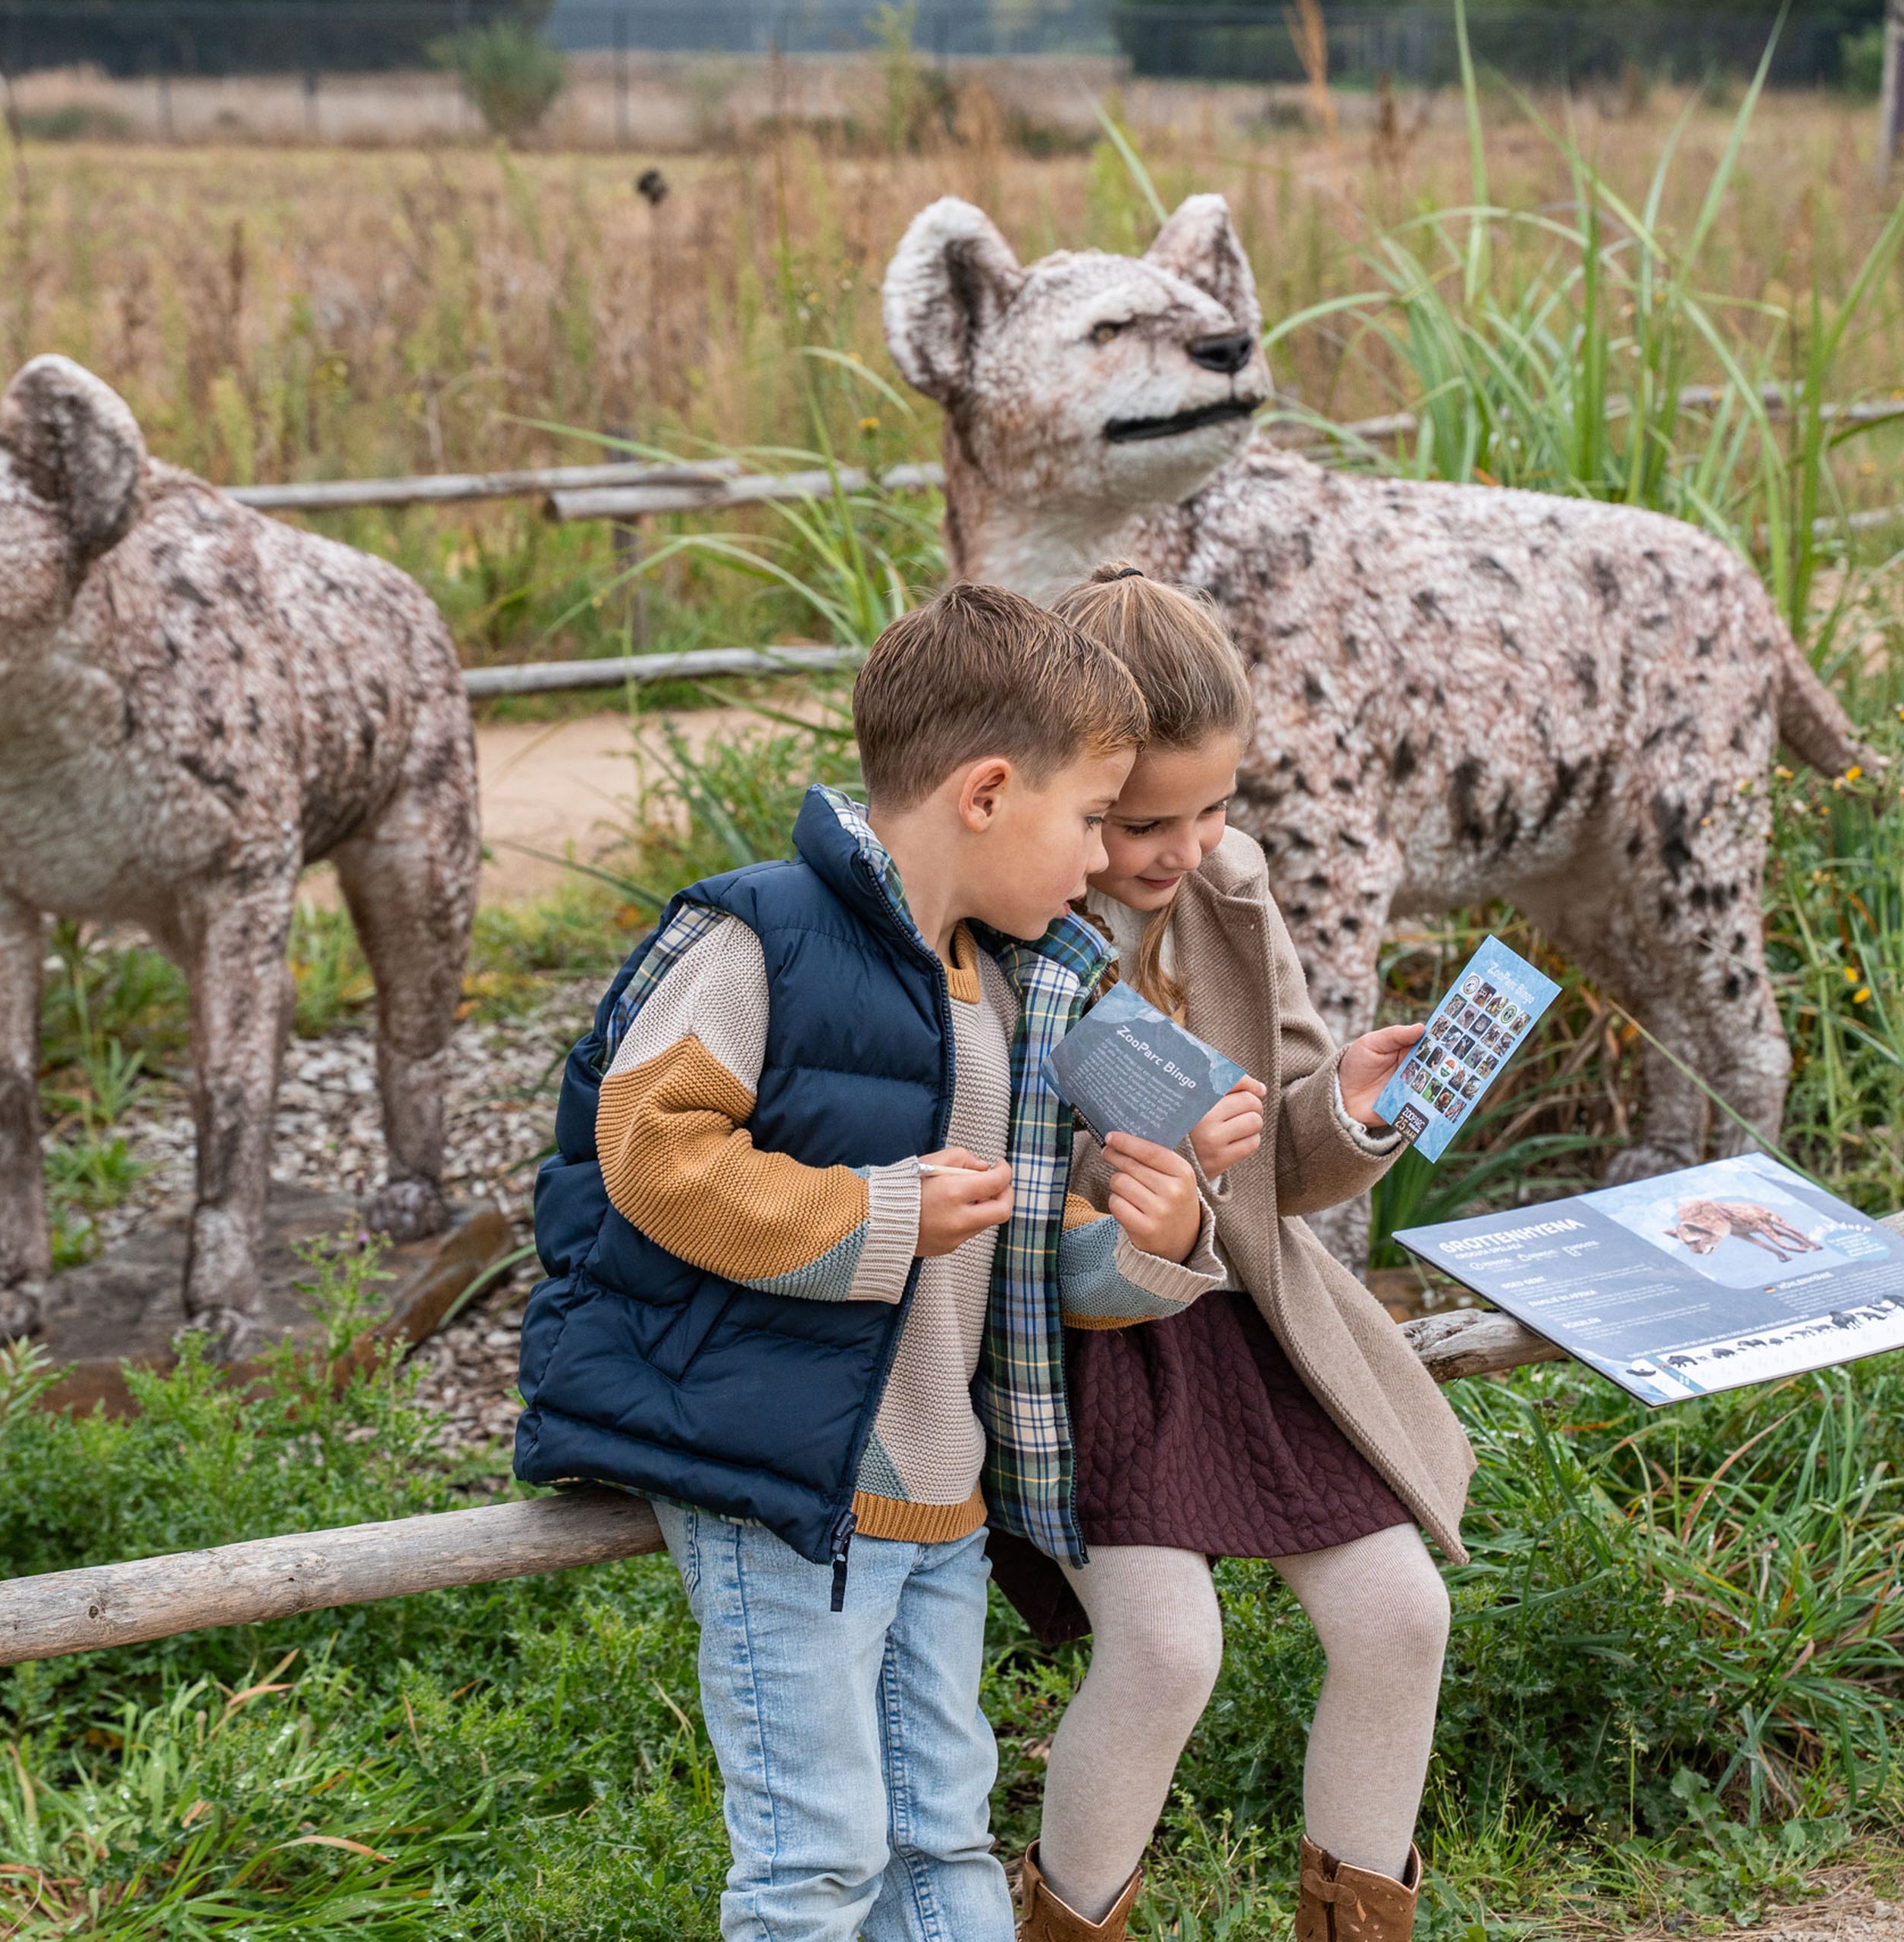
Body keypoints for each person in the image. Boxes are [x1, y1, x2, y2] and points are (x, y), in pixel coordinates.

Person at [515, 582, 1226, 1942]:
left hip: (934, 1491)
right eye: (1089, 819)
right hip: (789, 1482)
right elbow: (654, 1154)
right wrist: (880, 1215)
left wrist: (1154, 1247)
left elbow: (1014, 1251)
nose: (1097, 863)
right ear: (987, 793)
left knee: (942, 1833)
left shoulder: (1008, 985)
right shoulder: (759, 938)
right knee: (819, 1856)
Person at [1016, 565, 1478, 1942]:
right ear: (1069, 784)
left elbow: (1282, 1160)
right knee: (1164, 1652)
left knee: (1402, 1617)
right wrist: (1128, 1167)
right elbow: (993, 1156)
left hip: (1239, 1315)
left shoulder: (1225, 885)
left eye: (1216, 806)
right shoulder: (1006, 917)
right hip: (1087, 1327)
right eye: (1144, 819)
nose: (1185, 843)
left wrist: (1348, 1102)